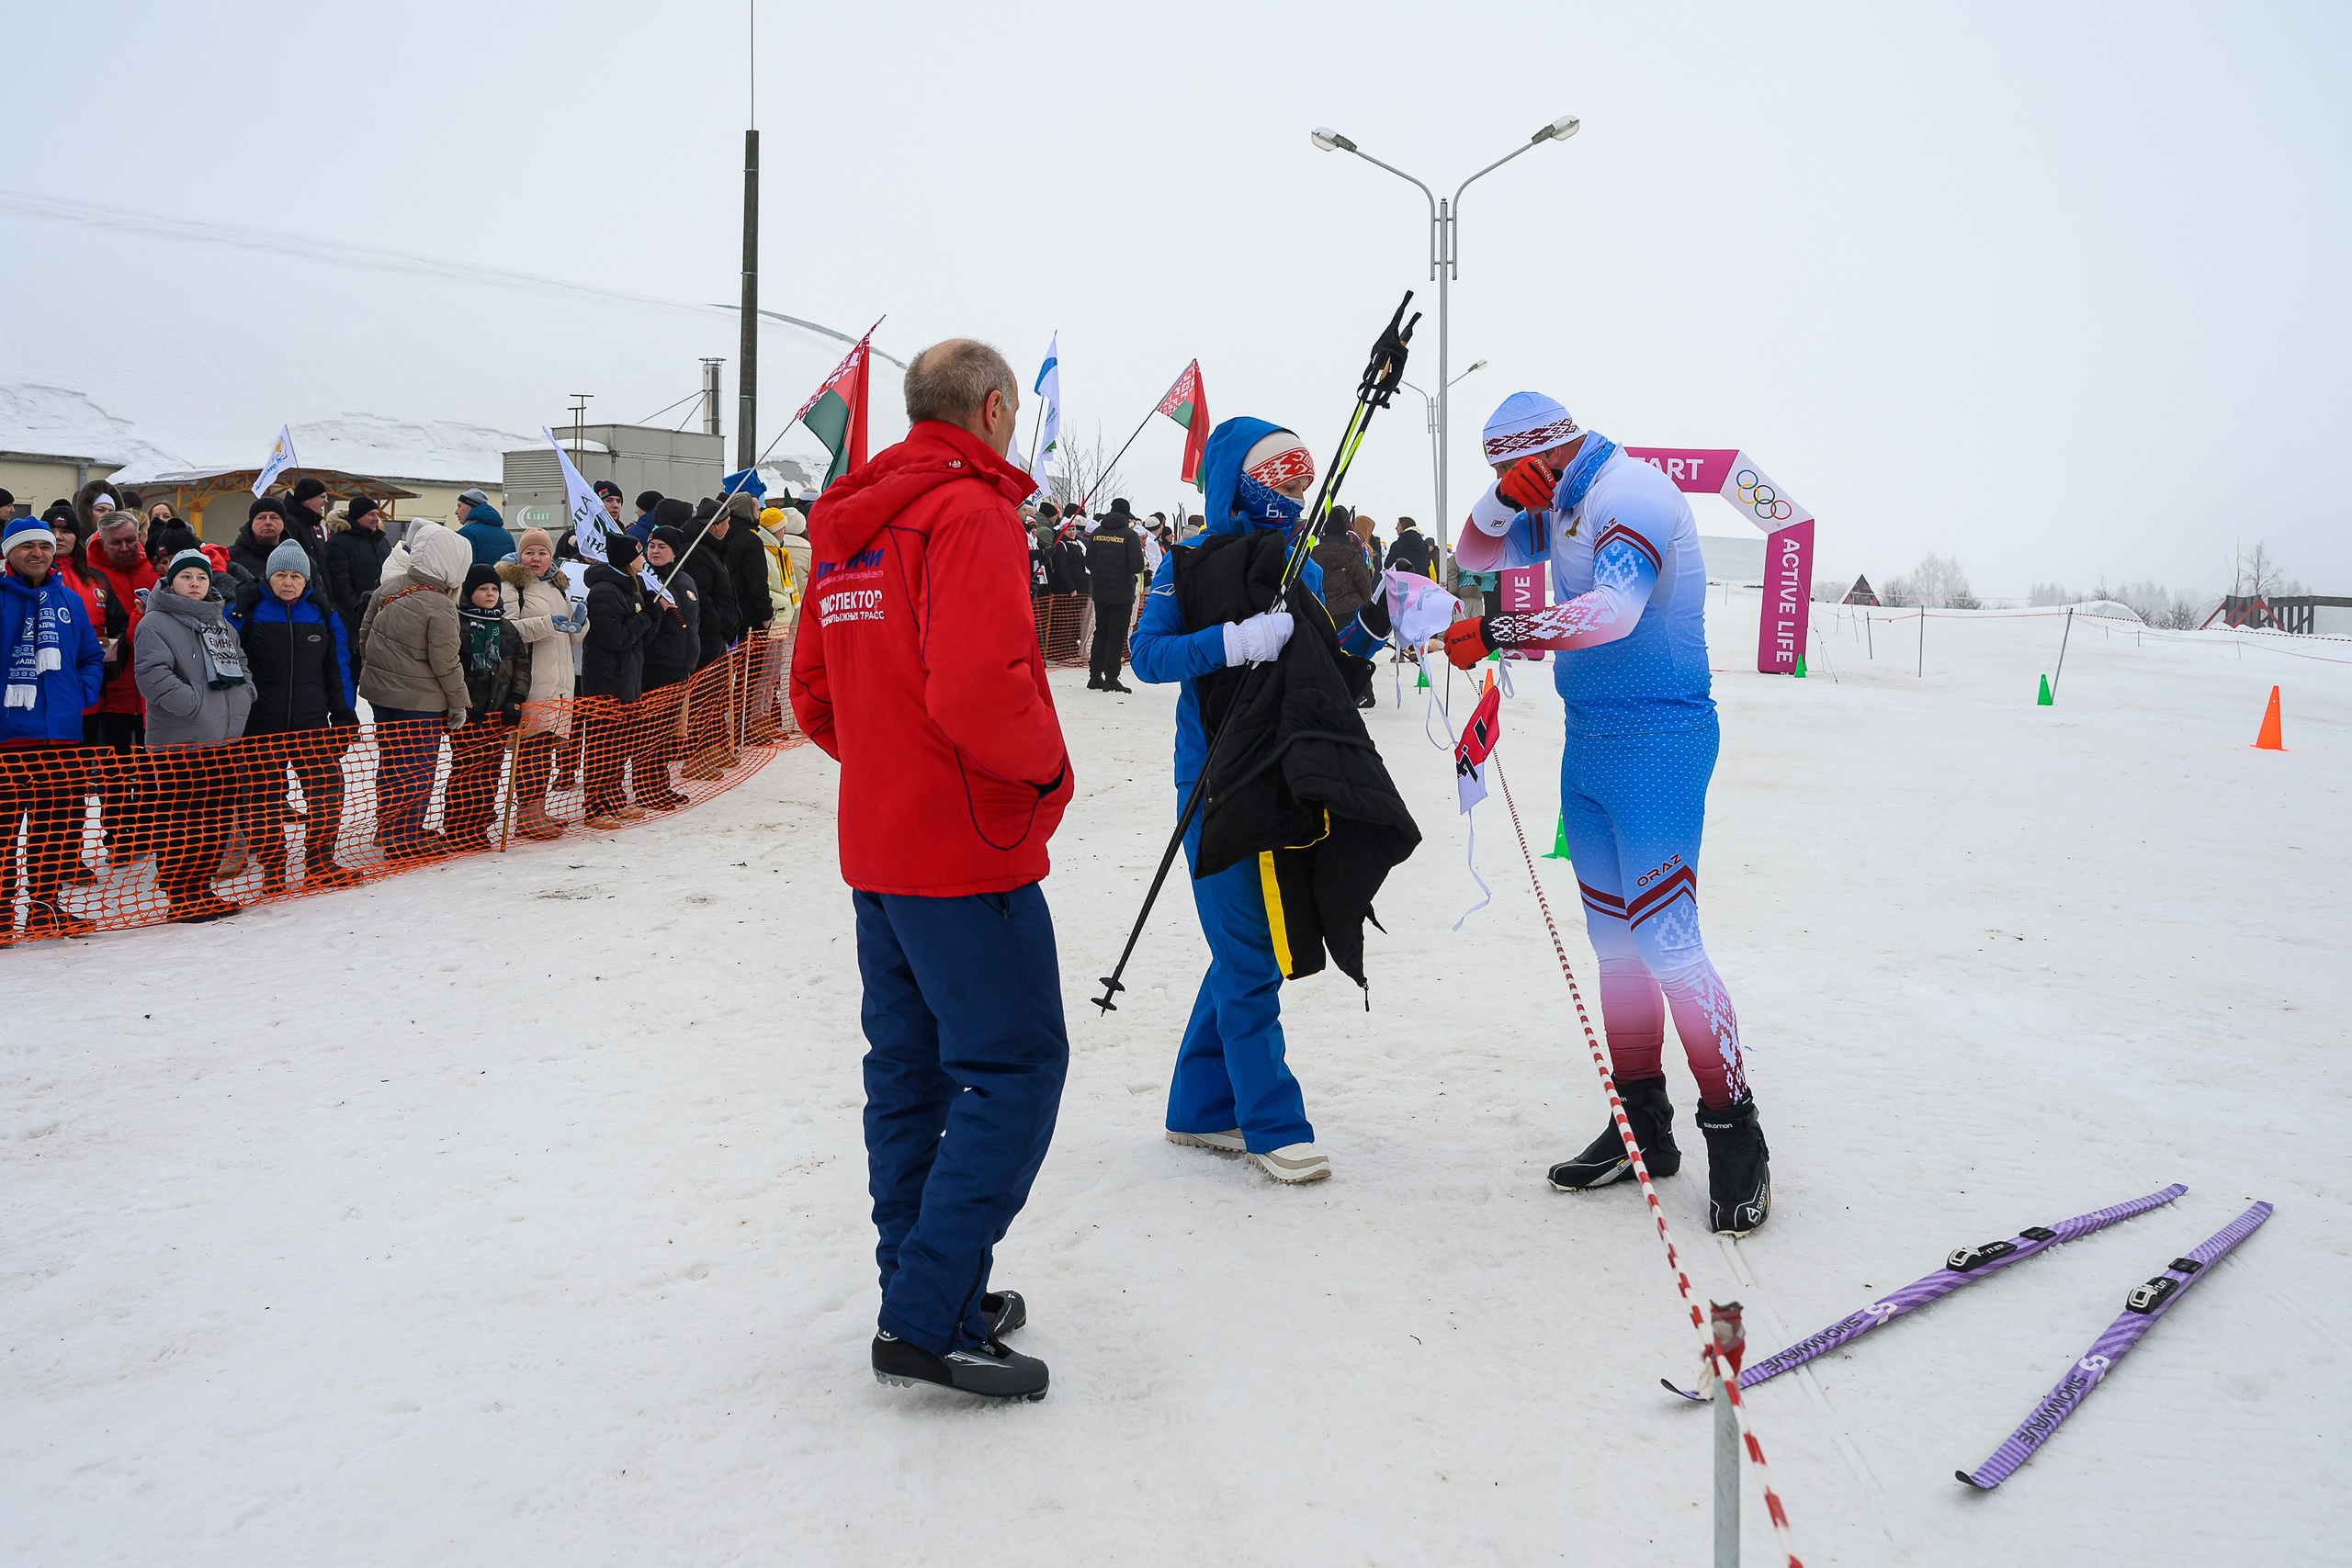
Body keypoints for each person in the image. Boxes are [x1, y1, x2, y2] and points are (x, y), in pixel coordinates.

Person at [789, 337, 1073, 1403]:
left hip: (881, 840)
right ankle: (923, 1315)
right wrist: (1044, 777)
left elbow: (813, 691)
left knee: (907, 1075)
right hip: (963, 849)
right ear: (996, 407)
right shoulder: (968, 512)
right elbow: (981, 690)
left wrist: (890, 768)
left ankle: (927, 1287)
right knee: (1012, 1072)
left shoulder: (852, 521)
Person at [1441, 390, 1770, 1235]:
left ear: (1551, 451)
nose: (1518, 491)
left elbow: (1614, 613)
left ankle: (1737, 1133)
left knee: (1666, 940)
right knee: (1616, 946)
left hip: (1661, 740)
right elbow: (1468, 555)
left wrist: (1506, 630)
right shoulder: (1562, 498)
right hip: (1590, 739)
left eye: (1517, 473)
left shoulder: (1634, 495)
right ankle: (1642, 1127)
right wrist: (1501, 499)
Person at [1127, 420, 1392, 1188]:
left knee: (1251, 947)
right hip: (1210, 781)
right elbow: (1147, 654)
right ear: (1239, 483)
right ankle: (1273, 1122)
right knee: (1249, 955)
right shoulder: (1187, 564)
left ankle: (1199, 1105)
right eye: (1281, 483)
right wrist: (1230, 642)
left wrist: (1374, 627)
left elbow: (1324, 665)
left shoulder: (1295, 564)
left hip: (1278, 772)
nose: (1294, 498)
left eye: (1302, 486)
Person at [229, 540, 359, 890]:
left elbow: (339, 668)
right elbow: (226, 664)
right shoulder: (248, 611)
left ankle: (320, 861)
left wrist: (345, 714)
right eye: (281, 575)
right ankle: (273, 867)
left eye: (296, 576)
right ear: (269, 578)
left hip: (312, 722)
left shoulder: (322, 613)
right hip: (260, 724)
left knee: (328, 790)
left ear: (306, 581)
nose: (288, 582)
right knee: (262, 799)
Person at [136, 548, 255, 922]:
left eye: (201, 578)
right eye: (186, 576)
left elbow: (241, 664)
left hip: (223, 739)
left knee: (216, 818)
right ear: (172, 581)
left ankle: (201, 886)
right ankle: (180, 893)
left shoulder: (220, 623)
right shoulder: (154, 623)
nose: (195, 583)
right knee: (184, 819)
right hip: (181, 741)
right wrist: (195, 706)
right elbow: (152, 676)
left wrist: (245, 695)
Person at [0, 513, 106, 941]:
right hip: (7, 738)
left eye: (43, 546)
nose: (38, 553)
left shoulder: (69, 601)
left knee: (56, 831)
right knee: (4, 834)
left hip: (62, 735)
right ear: (9, 553)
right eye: (28, 546)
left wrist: (82, 694)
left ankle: (45, 910)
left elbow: (90, 656)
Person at [358, 521, 473, 861]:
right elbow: (446, 663)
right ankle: (403, 838)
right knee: (417, 771)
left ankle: (389, 827)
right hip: (420, 704)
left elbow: (364, 637)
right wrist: (459, 704)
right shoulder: (440, 605)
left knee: (391, 764)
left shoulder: (389, 587)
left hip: (382, 696)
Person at [495, 527, 586, 841]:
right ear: (520, 555)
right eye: (530, 552)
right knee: (531, 751)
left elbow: (570, 637)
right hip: (530, 682)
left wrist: (580, 621)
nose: (536, 558)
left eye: (543, 553)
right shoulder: (511, 585)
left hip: (559, 681)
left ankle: (538, 810)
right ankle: (526, 816)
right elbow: (506, 630)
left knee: (545, 750)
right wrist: (548, 623)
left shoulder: (555, 586)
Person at [440, 565, 524, 851]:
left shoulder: (507, 627)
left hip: (499, 714)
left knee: (490, 773)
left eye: (494, 590)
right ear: (469, 592)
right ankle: (457, 827)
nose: (489, 594)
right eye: (482, 589)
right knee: (466, 771)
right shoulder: (457, 624)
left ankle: (479, 827)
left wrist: (515, 699)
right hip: (468, 716)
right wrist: (463, 702)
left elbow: (521, 666)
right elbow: (451, 667)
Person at [577, 530, 656, 827]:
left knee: (618, 748)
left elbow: (637, 639)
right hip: (606, 683)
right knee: (601, 748)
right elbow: (616, 638)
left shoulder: (629, 587)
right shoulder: (605, 591)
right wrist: (645, 617)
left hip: (626, 681)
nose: (643, 559)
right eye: (638, 554)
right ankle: (594, 808)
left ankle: (614, 799)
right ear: (627, 560)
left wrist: (650, 618)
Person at [631, 526, 701, 810]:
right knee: (649, 731)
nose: (655, 551)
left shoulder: (684, 580)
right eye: (652, 546)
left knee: (666, 732)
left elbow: (693, 622)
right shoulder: (643, 581)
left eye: (662, 546)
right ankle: (646, 788)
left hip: (680, 668)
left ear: (674, 551)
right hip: (654, 667)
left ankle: (660, 785)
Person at [325, 495, 393, 682]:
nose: (375, 519)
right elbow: (340, 585)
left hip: (381, 619)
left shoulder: (382, 542)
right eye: (370, 514)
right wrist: (359, 611)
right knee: (351, 675)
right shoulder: (339, 543)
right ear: (357, 516)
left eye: (377, 514)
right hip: (351, 622)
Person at [1083, 499, 1148, 693]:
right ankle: (1111, 678)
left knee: (1100, 631)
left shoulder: (1097, 533)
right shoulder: (1130, 535)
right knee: (1116, 634)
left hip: (1101, 591)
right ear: (1127, 515)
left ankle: (1094, 676)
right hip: (1122, 593)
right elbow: (1136, 566)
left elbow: (1089, 562)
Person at [229, 497, 304, 585]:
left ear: (284, 523)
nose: (268, 522)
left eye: (274, 518)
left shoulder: (299, 558)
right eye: (261, 518)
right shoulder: (231, 557)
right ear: (251, 523)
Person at [456, 494, 512, 568]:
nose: (456, 512)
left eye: (459, 506)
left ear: (471, 507)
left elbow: (464, 570)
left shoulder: (466, 533)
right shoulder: (507, 535)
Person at [1385, 514, 1437, 579]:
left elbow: (1388, 565)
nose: (1396, 528)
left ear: (1404, 526)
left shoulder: (1396, 545)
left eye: (1398, 525)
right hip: (1420, 583)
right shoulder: (1425, 546)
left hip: (1401, 583)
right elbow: (1427, 565)